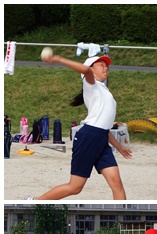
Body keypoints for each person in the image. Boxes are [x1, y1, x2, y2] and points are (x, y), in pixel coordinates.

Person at [24, 54, 132, 200]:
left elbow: (104, 129)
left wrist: (120, 147)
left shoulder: (104, 90)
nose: (106, 68)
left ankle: (122, 211)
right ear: (90, 69)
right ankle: (35, 201)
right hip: (88, 137)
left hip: (101, 139)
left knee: (116, 184)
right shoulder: (91, 85)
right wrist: (58, 59)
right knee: (75, 187)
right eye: (101, 65)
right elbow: (85, 71)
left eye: (106, 66)